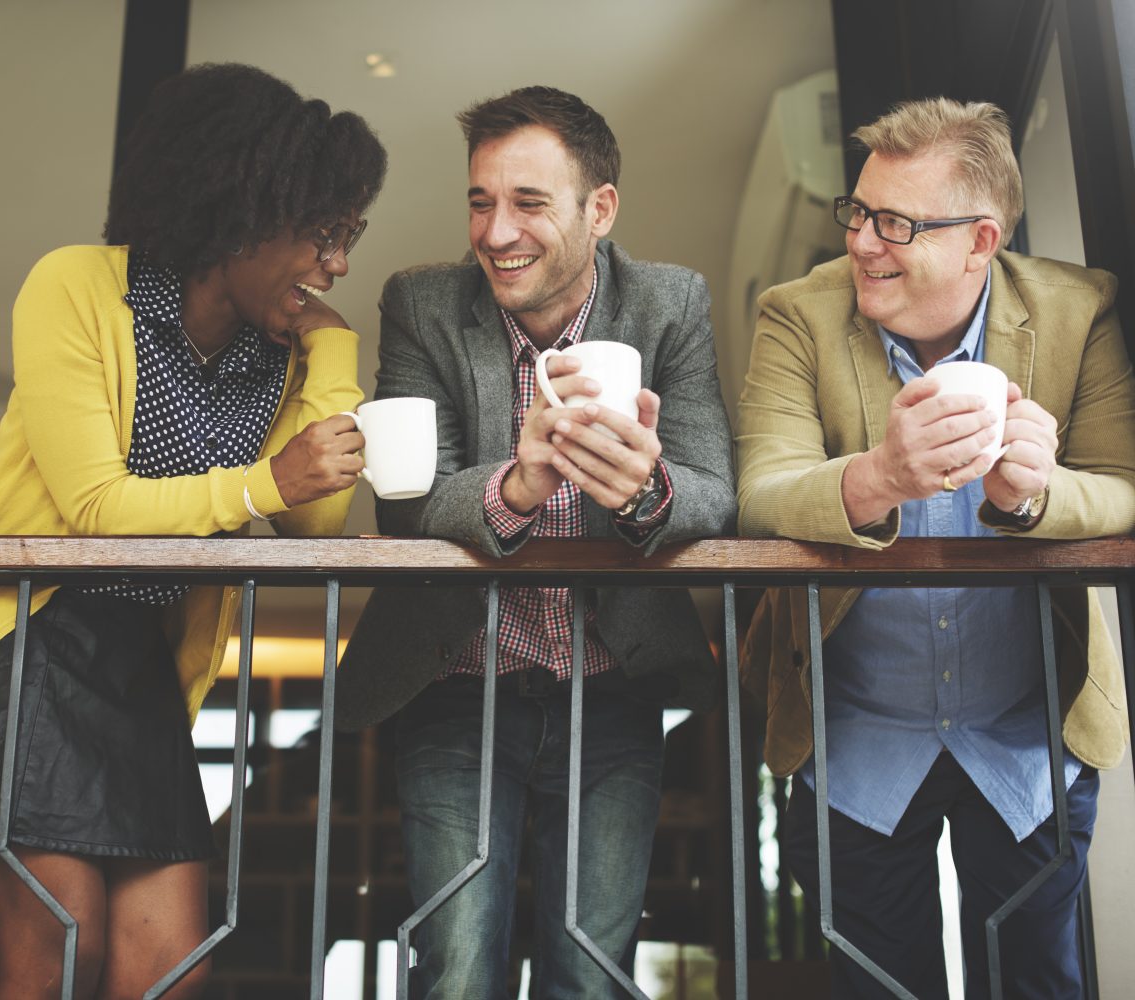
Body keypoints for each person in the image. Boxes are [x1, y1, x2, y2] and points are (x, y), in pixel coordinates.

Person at [0, 64, 386, 1000]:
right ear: (243, 208)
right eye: (325, 233)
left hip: (137, 670)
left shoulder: (280, 348)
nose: (338, 263)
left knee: (171, 968)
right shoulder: (79, 286)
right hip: (19, 641)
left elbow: (316, 514)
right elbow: (94, 506)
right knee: (58, 951)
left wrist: (334, 350)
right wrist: (261, 484)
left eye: (349, 236)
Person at [338, 86, 736, 998]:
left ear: (601, 209)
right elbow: (409, 505)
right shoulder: (424, 303)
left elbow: (717, 493)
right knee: (455, 971)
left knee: (590, 979)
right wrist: (517, 486)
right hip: (455, 689)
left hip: (614, 693)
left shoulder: (671, 303)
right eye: (480, 200)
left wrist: (645, 487)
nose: (495, 230)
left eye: (527, 203)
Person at [737, 97, 1135, 998]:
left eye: (896, 223)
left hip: (1027, 744)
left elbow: (1121, 484)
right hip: (856, 743)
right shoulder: (796, 315)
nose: (864, 244)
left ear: (981, 239)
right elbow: (760, 492)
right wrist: (879, 477)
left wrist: (1033, 495)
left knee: (1040, 985)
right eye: (860, 213)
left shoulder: (1079, 310)